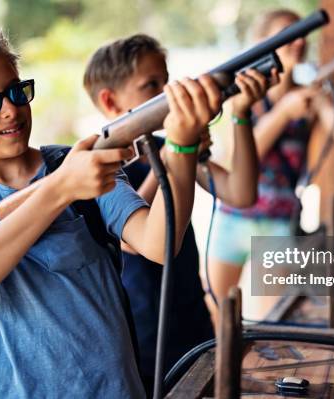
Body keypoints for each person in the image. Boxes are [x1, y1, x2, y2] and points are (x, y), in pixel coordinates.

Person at [0, 28, 221, 398]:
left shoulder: (75, 162)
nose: (10, 109)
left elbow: (159, 243)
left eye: (17, 91)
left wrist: (181, 145)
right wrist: (61, 188)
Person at [79, 34, 272, 397]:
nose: (166, 93)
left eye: (165, 81)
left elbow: (241, 193)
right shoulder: (95, 162)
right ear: (110, 100)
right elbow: (131, 238)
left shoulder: (172, 146)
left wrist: (241, 115)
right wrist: (170, 158)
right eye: (151, 85)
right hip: (141, 328)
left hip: (191, 315)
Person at [207, 9, 334, 322]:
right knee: (214, 316)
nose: (298, 42)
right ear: (262, 43)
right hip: (231, 218)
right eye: (287, 35)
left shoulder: (310, 96)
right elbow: (235, 158)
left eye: (302, 35)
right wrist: (283, 114)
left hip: (276, 224)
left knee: (268, 321)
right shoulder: (242, 94)